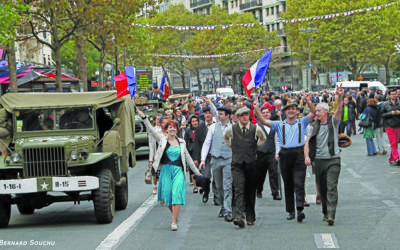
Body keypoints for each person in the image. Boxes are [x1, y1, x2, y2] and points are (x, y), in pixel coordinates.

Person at [254, 91, 315, 223]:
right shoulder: (279, 124)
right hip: (285, 154)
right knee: (288, 184)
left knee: (299, 182)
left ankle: (299, 209)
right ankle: (290, 210)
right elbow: (263, 121)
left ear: (297, 112)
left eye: (293, 109)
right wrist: (257, 109)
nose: (291, 111)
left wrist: (309, 101)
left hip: (298, 153)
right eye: (289, 109)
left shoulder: (302, 122)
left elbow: (313, 113)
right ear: (285, 112)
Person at [137, 108, 201, 231]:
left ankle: (174, 221)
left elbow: (188, 159)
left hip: (178, 171)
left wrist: (198, 174)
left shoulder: (182, 143)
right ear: (166, 130)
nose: (172, 129)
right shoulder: (162, 140)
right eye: (169, 127)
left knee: (176, 193)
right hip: (165, 170)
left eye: (174, 127)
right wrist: (144, 117)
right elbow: (150, 129)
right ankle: (174, 214)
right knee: (166, 197)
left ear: (177, 130)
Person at [304, 86, 344, 226]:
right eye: (316, 111)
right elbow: (308, 142)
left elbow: (339, 111)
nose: (317, 113)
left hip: (333, 160)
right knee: (322, 189)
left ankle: (331, 214)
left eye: (319, 111)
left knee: (331, 186)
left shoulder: (333, 122)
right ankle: (326, 212)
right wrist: (308, 156)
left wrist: (339, 98)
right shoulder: (314, 125)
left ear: (326, 112)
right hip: (319, 161)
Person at [223, 107, 266, 228]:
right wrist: (231, 146)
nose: (244, 117)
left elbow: (263, 138)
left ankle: (250, 216)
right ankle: (238, 215)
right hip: (237, 164)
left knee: (250, 190)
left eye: (246, 114)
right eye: (241, 115)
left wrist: (255, 146)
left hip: (251, 163)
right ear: (237, 117)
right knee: (238, 188)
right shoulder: (231, 128)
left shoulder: (255, 128)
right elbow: (225, 137)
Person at [199, 106, 233, 222]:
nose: (219, 116)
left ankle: (228, 211)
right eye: (218, 114)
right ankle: (223, 206)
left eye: (221, 114)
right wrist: (203, 159)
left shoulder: (233, 127)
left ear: (228, 115)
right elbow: (207, 143)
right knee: (218, 186)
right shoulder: (213, 127)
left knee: (227, 185)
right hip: (216, 159)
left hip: (229, 158)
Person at [255, 106, 281, 200]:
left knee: (274, 172)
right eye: (263, 113)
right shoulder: (257, 126)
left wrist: (277, 152)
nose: (266, 114)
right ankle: (258, 189)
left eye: (267, 112)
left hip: (271, 152)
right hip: (260, 152)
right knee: (260, 174)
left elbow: (277, 140)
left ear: (270, 114)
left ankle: (275, 192)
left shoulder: (274, 125)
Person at [184, 114, 207, 193]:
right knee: (192, 169)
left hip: (200, 151)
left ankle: (201, 185)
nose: (194, 122)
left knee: (200, 168)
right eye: (193, 121)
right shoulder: (188, 130)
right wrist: (186, 151)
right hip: (191, 151)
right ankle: (195, 187)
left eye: (196, 121)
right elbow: (185, 141)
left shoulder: (201, 129)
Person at [380, 89, 400, 166]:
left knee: (395, 143)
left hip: (398, 125)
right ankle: (397, 158)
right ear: (389, 95)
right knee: (393, 142)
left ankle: (391, 159)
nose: (394, 95)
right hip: (389, 125)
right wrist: (390, 113)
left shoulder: (399, 103)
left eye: (395, 94)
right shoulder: (385, 104)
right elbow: (382, 115)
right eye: (392, 94)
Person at [148, 114, 164, 194]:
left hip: (164, 153)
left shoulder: (165, 129)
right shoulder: (152, 130)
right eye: (157, 119)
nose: (158, 121)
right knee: (154, 172)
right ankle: (155, 186)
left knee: (163, 171)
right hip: (156, 153)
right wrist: (150, 159)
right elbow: (151, 145)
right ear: (154, 121)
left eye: (160, 119)